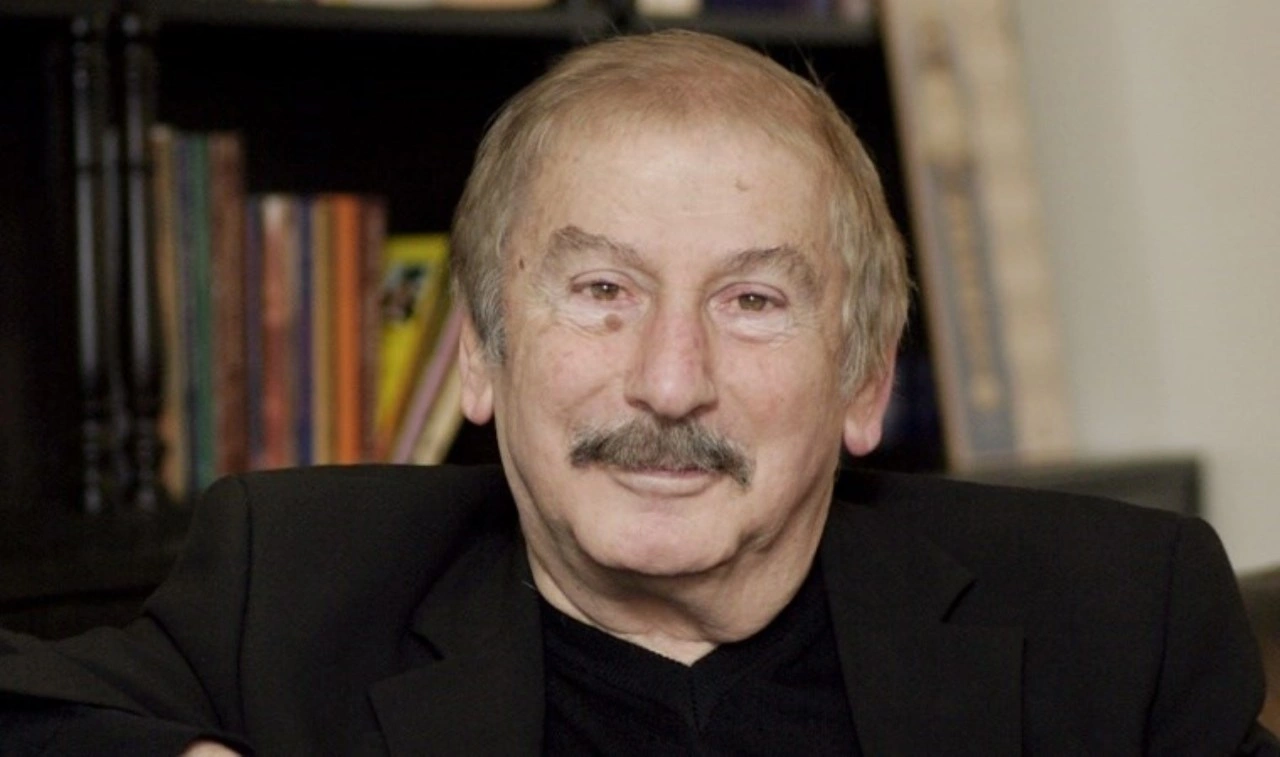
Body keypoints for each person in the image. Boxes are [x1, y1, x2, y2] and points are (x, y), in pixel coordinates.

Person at [1, 30, 1276, 756]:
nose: (669, 383)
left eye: (753, 300)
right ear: (480, 355)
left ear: (864, 379)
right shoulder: (292, 586)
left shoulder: (1118, 619)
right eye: (601, 289)